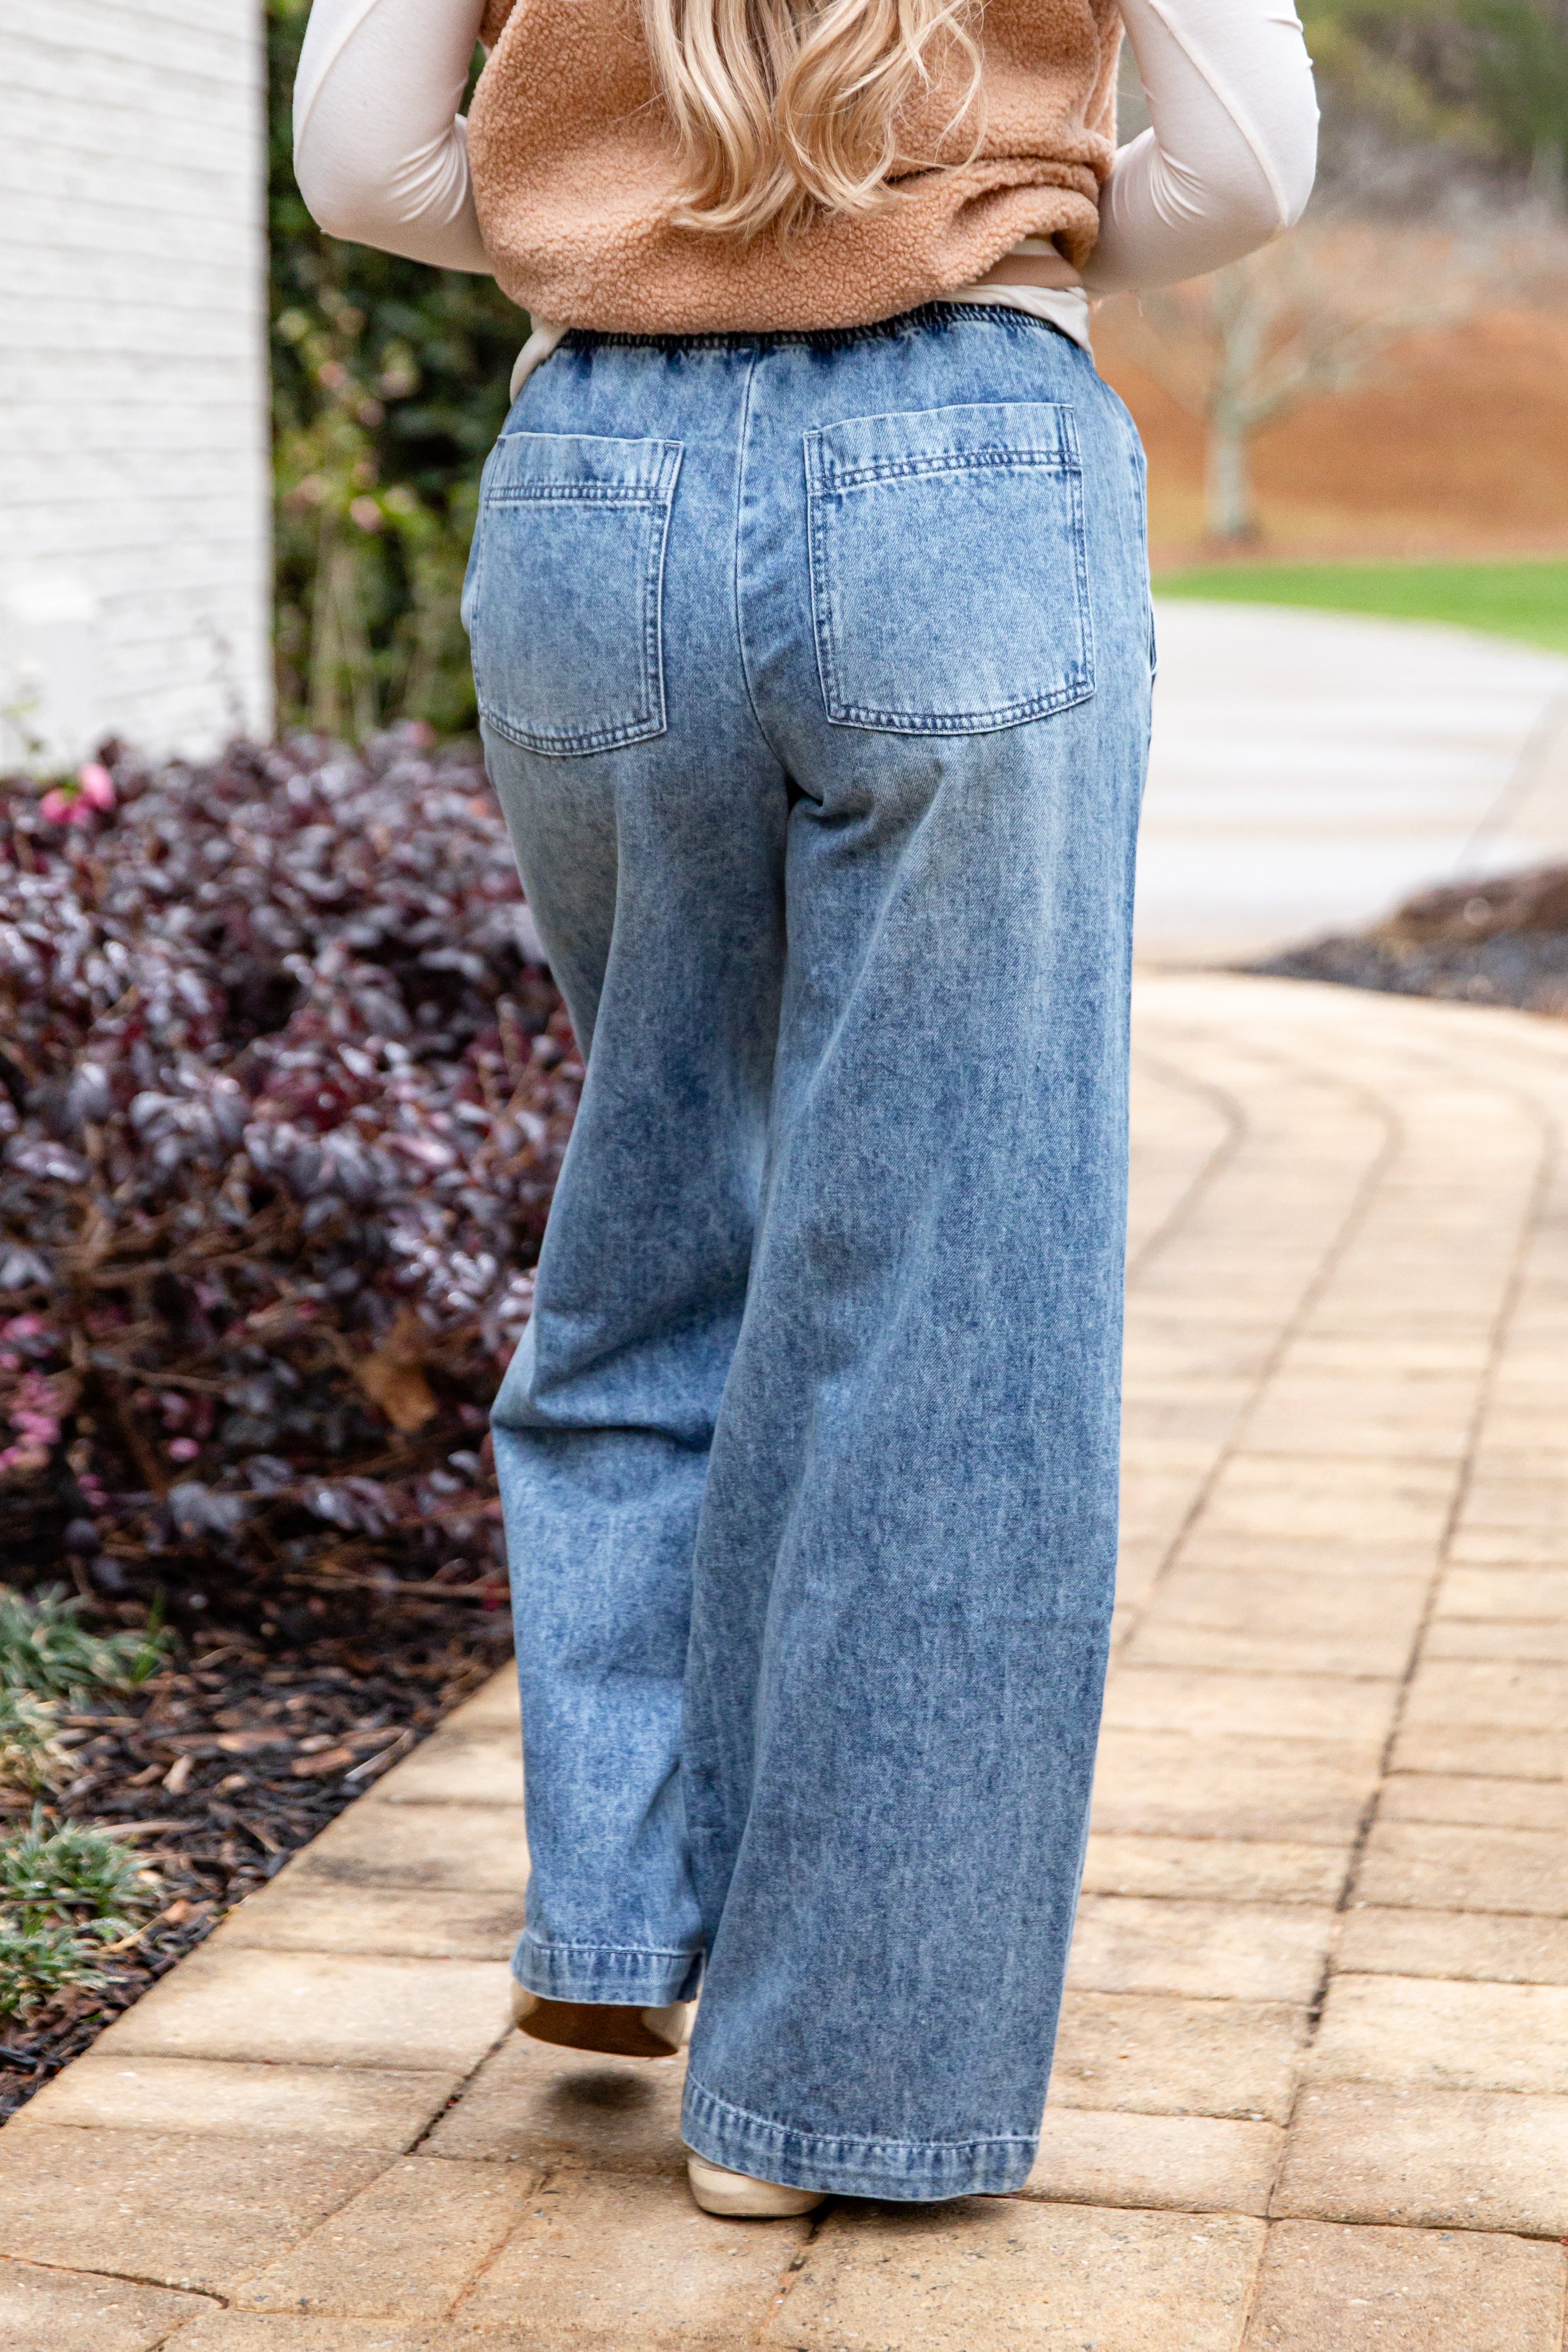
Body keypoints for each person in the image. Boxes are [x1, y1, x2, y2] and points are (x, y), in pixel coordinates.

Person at [295, 0, 1316, 2219]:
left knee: (657, 1205)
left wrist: (625, 226)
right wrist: (1000, 230)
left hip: (604, 498)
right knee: (941, 1298)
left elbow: (366, 169)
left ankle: (623, 1904)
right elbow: (1245, 165)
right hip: (969, 473)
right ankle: (827, 2085)